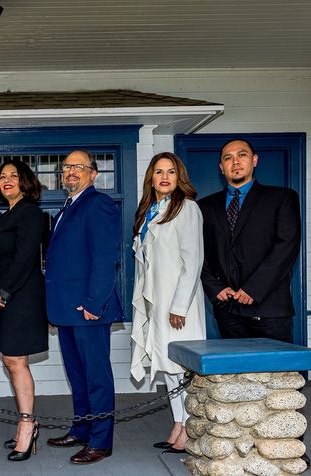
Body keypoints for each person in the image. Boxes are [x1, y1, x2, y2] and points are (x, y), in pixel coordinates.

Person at [44, 150, 124, 465]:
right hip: (66, 311)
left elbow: (106, 258)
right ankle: (82, 429)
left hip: (88, 309)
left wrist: (94, 303)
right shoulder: (67, 207)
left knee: (96, 377)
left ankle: (101, 441)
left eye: (79, 167)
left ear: (93, 173)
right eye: (67, 168)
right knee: (77, 376)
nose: (71, 172)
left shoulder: (98, 204)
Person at [130, 152, 206, 454]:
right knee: (168, 367)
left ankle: (190, 427)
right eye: (158, 171)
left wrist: (179, 306)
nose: (164, 176)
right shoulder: (149, 210)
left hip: (178, 304)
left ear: (179, 177)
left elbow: (193, 259)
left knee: (182, 367)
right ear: (151, 178)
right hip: (157, 301)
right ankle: (178, 424)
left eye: (171, 171)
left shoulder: (187, 208)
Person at [198, 139, 301, 343]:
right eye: (228, 158)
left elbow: (287, 246)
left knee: (279, 373)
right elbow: (197, 252)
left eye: (241, 155)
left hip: (270, 310)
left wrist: (253, 289)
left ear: (254, 160)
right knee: (236, 374)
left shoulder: (282, 197)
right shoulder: (204, 207)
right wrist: (214, 287)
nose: (235, 162)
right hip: (228, 311)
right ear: (221, 167)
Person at [0, 159, 49, 462]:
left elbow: (25, 260)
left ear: (25, 181)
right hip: (4, 293)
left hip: (22, 296)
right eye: (2, 177)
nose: (6, 180)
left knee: (15, 359)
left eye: (13, 176)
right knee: (11, 360)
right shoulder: (5, 215)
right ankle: (27, 422)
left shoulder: (30, 213)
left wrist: (3, 293)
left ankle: (27, 425)